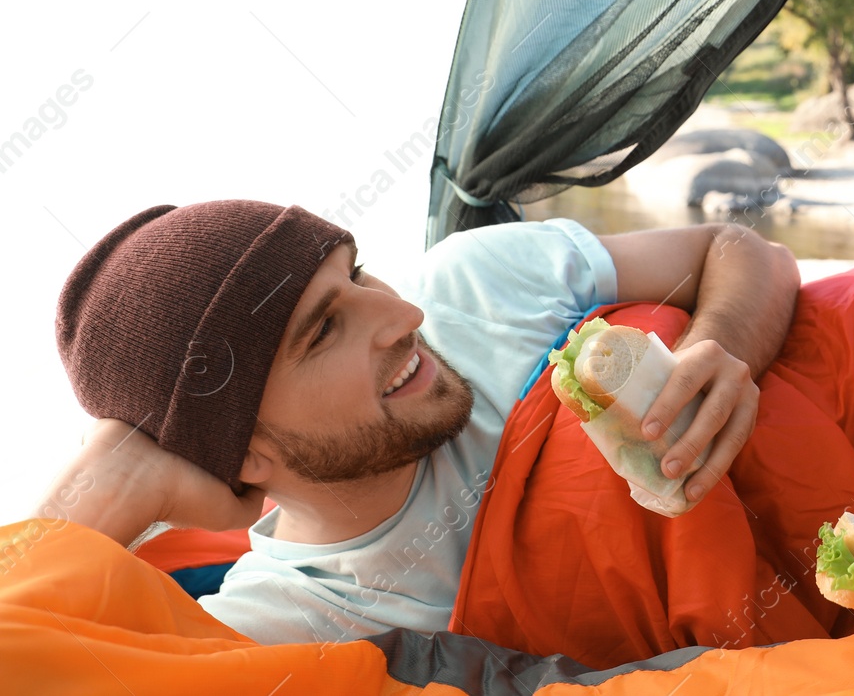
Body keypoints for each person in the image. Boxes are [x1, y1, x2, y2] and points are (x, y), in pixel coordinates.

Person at [36, 199, 797, 643]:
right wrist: (103, 489)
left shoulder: (474, 279)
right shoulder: (281, 621)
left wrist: (720, 344)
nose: (406, 315)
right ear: (249, 453)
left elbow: (737, 249)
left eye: (357, 272)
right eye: (325, 329)